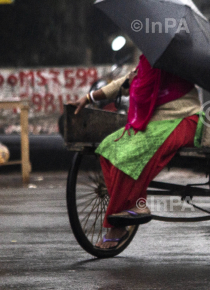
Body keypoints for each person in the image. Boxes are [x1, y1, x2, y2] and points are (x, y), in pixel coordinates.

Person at [69, 54, 201, 249]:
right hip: (155, 121)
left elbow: (139, 91)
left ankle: (120, 223)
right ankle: (128, 207)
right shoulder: (150, 59)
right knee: (107, 147)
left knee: (129, 156)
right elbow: (125, 83)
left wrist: (134, 82)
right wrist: (88, 98)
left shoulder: (174, 57)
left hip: (182, 119)